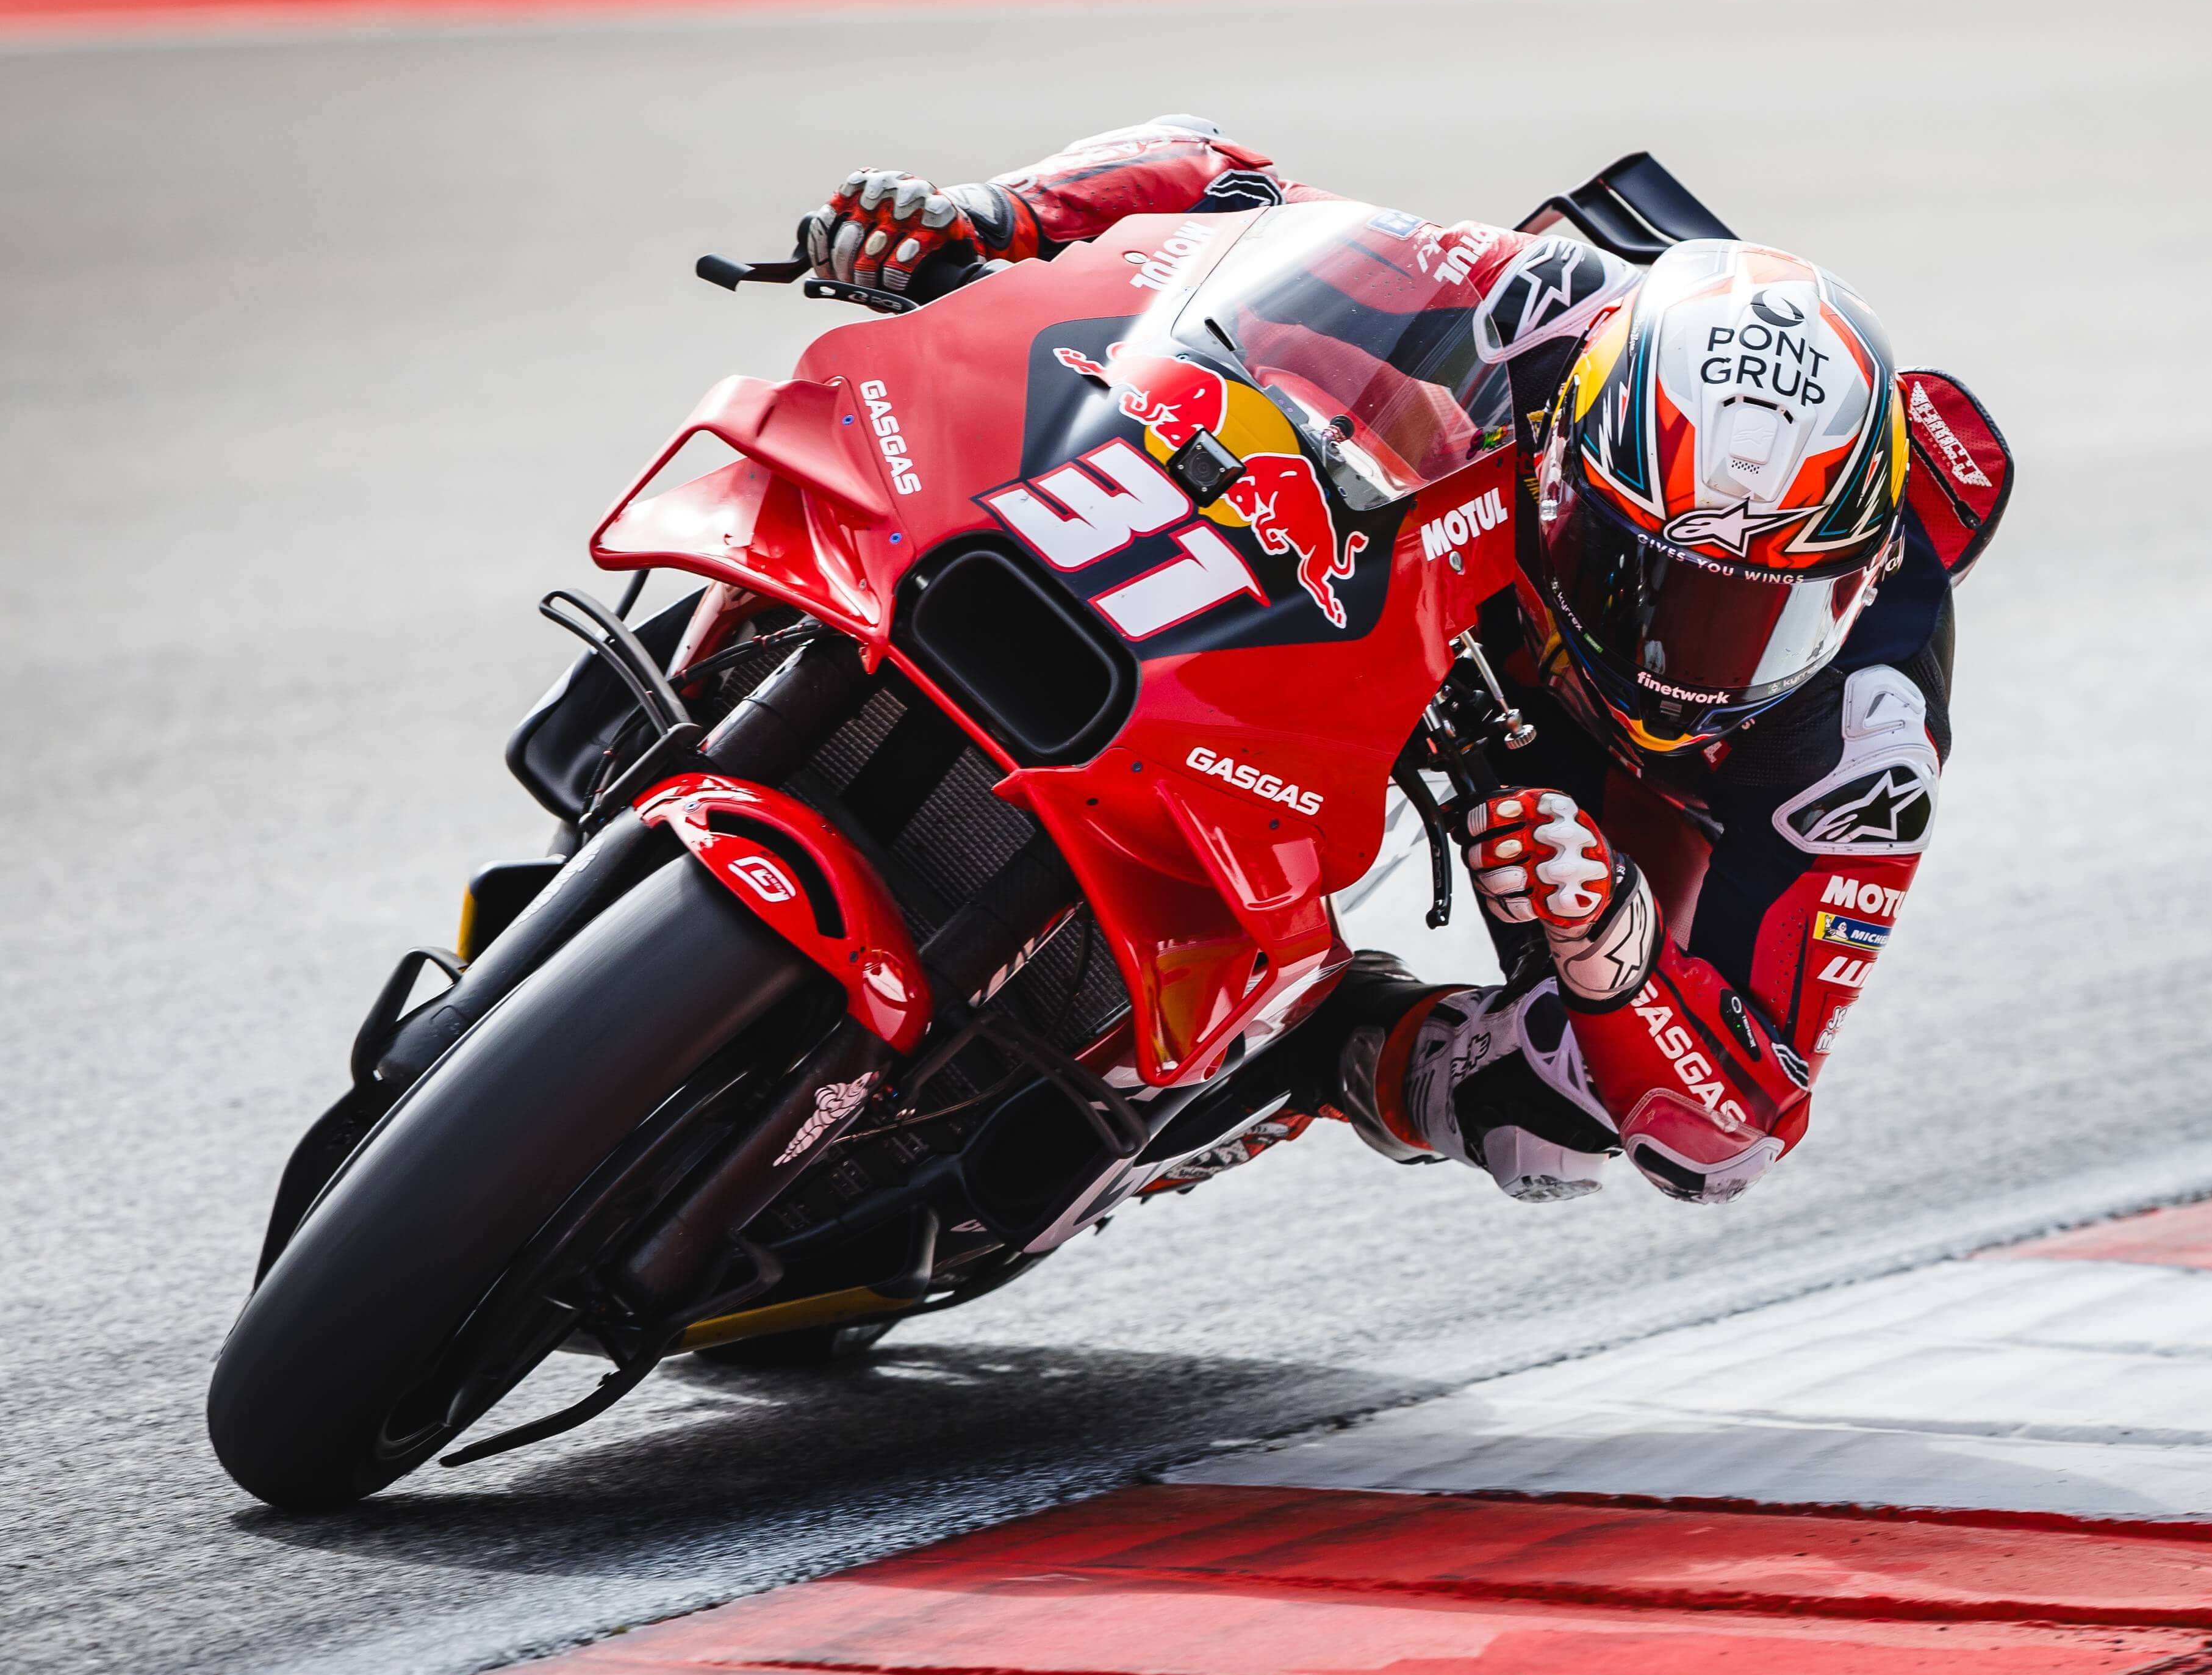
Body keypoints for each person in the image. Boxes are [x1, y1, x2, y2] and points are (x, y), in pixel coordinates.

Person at [802, 116, 2011, 1205]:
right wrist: (999, 213)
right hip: (1481, 586)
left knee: (1556, 1127)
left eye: (1748, 617)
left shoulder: (1868, 736)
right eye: (1639, 574)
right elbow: (1231, 186)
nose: (1674, 660)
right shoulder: (1549, 310)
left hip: (1621, 799)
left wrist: (1613, 944)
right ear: (1571, 454)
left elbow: (1734, 1133)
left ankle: (1311, 1052)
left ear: (1856, 578)